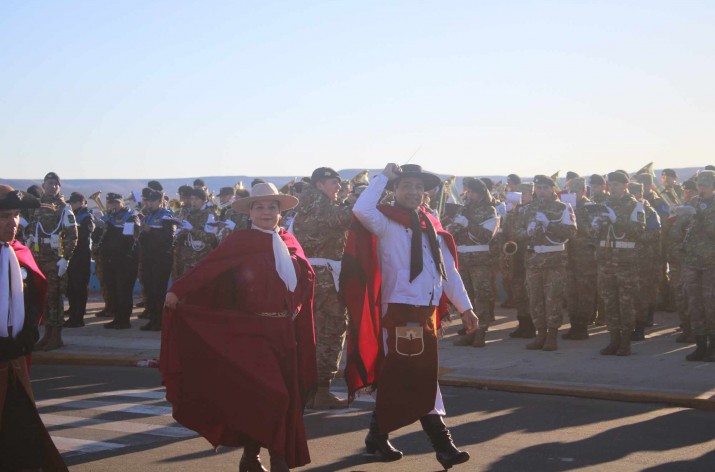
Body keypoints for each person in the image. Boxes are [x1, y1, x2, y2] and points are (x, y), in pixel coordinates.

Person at [162, 183, 317, 472]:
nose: (266, 212)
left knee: (279, 396)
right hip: (252, 330)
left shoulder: (289, 241)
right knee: (273, 395)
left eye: (272, 207)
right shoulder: (240, 241)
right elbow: (208, 268)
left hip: (285, 332)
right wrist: (178, 291)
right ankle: (277, 458)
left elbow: (305, 279)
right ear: (250, 212)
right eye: (260, 207)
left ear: (280, 211)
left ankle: (251, 457)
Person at [343, 163, 478, 469]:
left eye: (418, 186)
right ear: (395, 190)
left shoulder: (431, 223)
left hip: (426, 312)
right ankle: (444, 446)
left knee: (403, 375)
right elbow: (362, 208)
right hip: (400, 311)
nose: (414, 192)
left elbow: (447, 272)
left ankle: (376, 437)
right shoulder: (384, 220)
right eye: (406, 186)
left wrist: (465, 307)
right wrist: (384, 177)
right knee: (419, 375)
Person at [0, 185, 68, 472]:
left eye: (16, 215)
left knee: (20, 431)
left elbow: (33, 295)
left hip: (14, 359)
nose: (12, 223)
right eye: (4, 216)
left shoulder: (20, 252)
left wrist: (30, 331)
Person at [292, 167, 355, 409]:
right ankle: (322, 389)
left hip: (311, 276)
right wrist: (380, 191)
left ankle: (308, 387)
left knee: (312, 332)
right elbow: (351, 217)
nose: (338, 187)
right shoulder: (322, 207)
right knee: (331, 331)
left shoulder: (305, 206)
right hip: (326, 279)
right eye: (333, 183)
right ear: (319, 185)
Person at [516, 175, 576, 351]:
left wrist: (549, 224)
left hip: (554, 260)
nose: (541, 191)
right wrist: (527, 232)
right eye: (538, 188)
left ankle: (551, 335)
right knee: (535, 299)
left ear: (552, 189)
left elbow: (571, 232)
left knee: (553, 298)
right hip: (534, 260)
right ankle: (540, 334)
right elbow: (517, 231)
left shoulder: (563, 207)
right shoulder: (528, 209)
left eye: (544, 188)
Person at [593, 171, 645, 356]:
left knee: (626, 303)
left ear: (625, 185)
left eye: (616, 184)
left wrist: (617, 220)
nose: (612, 187)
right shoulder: (604, 205)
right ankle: (613, 339)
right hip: (606, 260)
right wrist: (597, 224)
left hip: (625, 262)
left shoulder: (635, 205)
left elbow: (639, 231)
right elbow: (596, 234)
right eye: (610, 184)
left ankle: (625, 342)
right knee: (610, 302)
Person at [25, 172, 78, 351]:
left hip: (55, 260)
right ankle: (47, 335)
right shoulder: (37, 206)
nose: (52, 186)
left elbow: (73, 236)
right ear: (43, 185)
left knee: (55, 299)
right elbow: (32, 229)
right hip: (39, 258)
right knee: (44, 299)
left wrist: (66, 259)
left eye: (56, 184)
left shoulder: (64, 208)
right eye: (49, 183)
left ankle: (56, 337)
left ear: (59, 187)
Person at [449, 178, 499, 348]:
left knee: (481, 297)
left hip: (480, 261)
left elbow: (486, 236)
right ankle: (469, 330)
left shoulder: (489, 211)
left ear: (480, 193)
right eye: (468, 191)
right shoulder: (463, 210)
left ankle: (481, 331)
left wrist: (468, 224)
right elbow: (452, 232)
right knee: (466, 297)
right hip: (462, 259)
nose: (468, 195)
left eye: (472, 192)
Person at [681, 170, 715, 362]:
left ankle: (713, 347)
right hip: (692, 261)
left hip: (711, 262)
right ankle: (700, 346)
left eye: (705, 186)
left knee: (711, 304)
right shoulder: (693, 203)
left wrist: (702, 216)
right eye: (699, 186)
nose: (701, 189)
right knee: (694, 304)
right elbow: (678, 230)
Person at [563, 178, 597, 340]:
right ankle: (574, 324)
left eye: (575, 192)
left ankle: (582, 326)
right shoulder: (566, 207)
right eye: (570, 192)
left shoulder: (590, 208)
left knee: (584, 292)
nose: (572, 195)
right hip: (568, 255)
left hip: (585, 257)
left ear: (583, 191)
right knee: (571, 292)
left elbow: (593, 231)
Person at [100, 193, 140, 329]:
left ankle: (124, 320)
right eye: (111, 203)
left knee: (124, 292)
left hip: (125, 261)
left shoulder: (130, 217)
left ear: (122, 203)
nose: (113, 206)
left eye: (116, 203)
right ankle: (117, 318)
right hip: (110, 260)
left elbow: (130, 237)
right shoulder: (109, 218)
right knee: (113, 291)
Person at [137, 189, 175, 331]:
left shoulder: (166, 216)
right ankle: (153, 319)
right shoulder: (147, 216)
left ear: (160, 202)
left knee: (158, 291)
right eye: (149, 201)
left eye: (153, 201)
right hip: (148, 257)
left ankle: (159, 321)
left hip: (160, 258)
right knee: (149, 290)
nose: (150, 204)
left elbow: (167, 238)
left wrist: (150, 231)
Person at [629, 182, 661, 341]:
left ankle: (640, 327)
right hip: (627, 258)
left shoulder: (649, 212)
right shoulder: (628, 210)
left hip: (644, 259)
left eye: (633, 194)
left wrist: (636, 237)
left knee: (641, 294)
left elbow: (655, 234)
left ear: (639, 195)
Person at [64, 192, 95, 328]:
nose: (72, 205)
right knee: (71, 287)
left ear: (81, 203)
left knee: (79, 287)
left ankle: (78, 317)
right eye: (71, 202)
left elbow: (84, 235)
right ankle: (73, 313)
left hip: (81, 255)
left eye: (74, 202)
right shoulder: (73, 215)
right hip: (72, 255)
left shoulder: (86, 217)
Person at [171, 188, 217, 280]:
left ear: (204, 200)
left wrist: (192, 229)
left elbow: (210, 238)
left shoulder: (209, 215)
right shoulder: (190, 213)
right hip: (186, 259)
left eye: (196, 199)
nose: (193, 202)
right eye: (192, 199)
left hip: (201, 259)